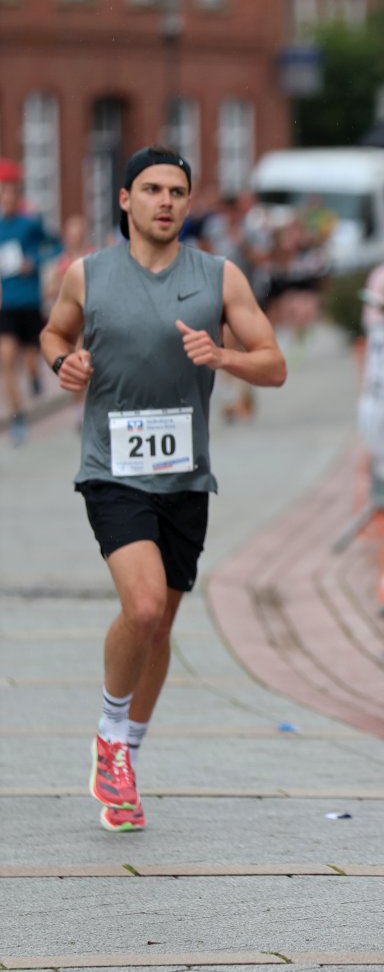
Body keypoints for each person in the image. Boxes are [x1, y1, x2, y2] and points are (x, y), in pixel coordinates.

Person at [40, 145, 286, 833]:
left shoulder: (219, 276)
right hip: (111, 469)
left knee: (161, 626)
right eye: (151, 189)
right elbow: (54, 331)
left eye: (176, 191)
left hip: (185, 476)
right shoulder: (88, 274)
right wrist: (63, 363)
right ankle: (110, 734)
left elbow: (274, 365)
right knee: (144, 606)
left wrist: (223, 355)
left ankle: (127, 755)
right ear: (125, 199)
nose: (165, 202)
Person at [0, 159, 59, 444]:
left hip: (30, 303)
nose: (5, 198)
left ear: (17, 194)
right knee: (6, 359)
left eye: (9, 192)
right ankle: (18, 418)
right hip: (6, 305)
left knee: (31, 360)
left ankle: (36, 378)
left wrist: (32, 262)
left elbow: (55, 245)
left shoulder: (30, 224)